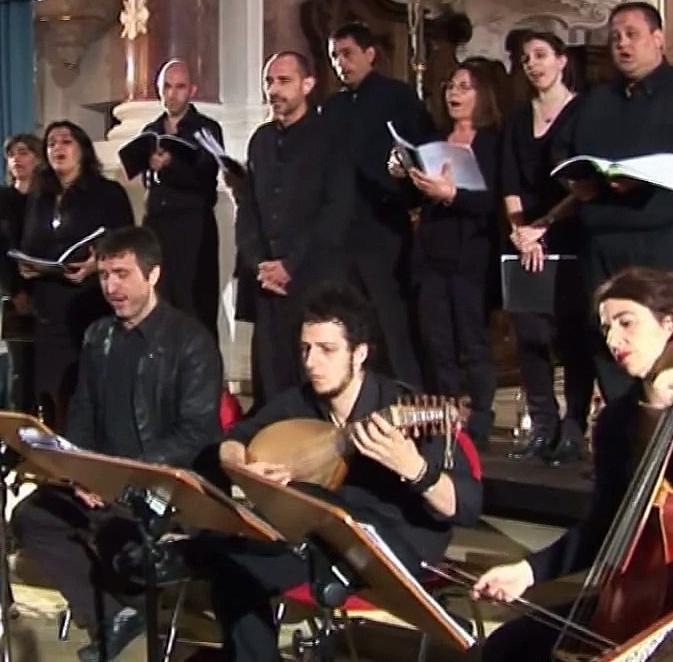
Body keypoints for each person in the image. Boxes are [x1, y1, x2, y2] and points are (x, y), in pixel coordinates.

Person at [472, 267, 673, 661]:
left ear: (672, 322)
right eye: (606, 327)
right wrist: (527, 571)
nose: (613, 339)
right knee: (508, 646)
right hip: (643, 595)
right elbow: (605, 524)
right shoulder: (617, 421)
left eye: (626, 323)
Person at [170, 282, 482, 662]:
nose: (311, 362)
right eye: (306, 348)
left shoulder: (404, 411)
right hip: (318, 540)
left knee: (307, 510)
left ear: (360, 353)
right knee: (236, 569)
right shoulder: (300, 402)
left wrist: (414, 468)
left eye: (327, 350)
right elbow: (234, 439)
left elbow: (465, 507)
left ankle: (193, 554)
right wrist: (242, 463)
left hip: (392, 548)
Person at [12, 226, 223, 662]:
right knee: (30, 517)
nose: (112, 287)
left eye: (123, 274)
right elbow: (85, 410)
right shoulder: (98, 337)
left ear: (154, 274)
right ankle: (111, 616)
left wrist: (120, 476)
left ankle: (120, 609)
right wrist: (82, 471)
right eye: (105, 275)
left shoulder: (192, 342)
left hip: (160, 485)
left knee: (121, 546)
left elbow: (196, 433)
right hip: (103, 481)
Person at [553, 1, 673, 406]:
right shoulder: (594, 101)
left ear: (658, 39)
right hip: (603, 242)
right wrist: (581, 182)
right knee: (610, 343)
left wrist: (646, 175)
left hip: (665, 238)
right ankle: (623, 439)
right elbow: (561, 158)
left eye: (631, 34)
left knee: (667, 342)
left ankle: (672, 443)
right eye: (615, 37)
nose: (622, 44)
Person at [389, 58, 501, 449]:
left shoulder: (493, 141)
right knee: (436, 341)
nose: (454, 93)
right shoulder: (434, 140)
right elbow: (412, 197)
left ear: (483, 94)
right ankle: (448, 417)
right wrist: (402, 174)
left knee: (471, 340)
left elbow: (494, 201)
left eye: (464, 87)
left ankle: (481, 420)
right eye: (451, 86)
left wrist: (454, 194)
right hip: (431, 249)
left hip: (472, 250)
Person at [234, 51, 354, 411]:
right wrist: (260, 263)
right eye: (269, 81)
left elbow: (335, 211)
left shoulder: (331, 137)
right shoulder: (261, 141)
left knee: (311, 374)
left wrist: (291, 264)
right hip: (268, 281)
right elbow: (250, 208)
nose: (274, 89)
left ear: (308, 84)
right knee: (271, 377)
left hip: (312, 277)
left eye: (283, 81)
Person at [322, 22, 436, 388]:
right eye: (335, 57)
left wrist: (403, 175)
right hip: (340, 232)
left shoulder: (398, 97)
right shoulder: (332, 107)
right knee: (349, 321)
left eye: (348, 54)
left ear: (370, 54)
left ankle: (409, 397)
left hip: (383, 226)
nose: (341, 63)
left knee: (392, 321)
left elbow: (424, 152)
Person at [502, 30, 596, 465]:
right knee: (529, 336)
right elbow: (510, 181)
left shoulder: (584, 112)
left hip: (569, 231)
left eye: (541, 55)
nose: (533, 65)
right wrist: (520, 230)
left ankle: (574, 427)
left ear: (561, 60)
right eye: (526, 59)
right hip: (524, 240)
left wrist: (543, 226)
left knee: (573, 335)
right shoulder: (518, 117)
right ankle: (542, 426)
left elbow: (586, 183)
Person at [18, 121, 134, 431]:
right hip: (48, 306)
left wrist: (97, 264)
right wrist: (27, 264)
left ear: (82, 149)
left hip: (89, 302)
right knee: (52, 391)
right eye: (52, 143)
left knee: (88, 386)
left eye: (66, 141)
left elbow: (124, 243)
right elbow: (30, 242)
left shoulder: (107, 192)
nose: (58, 148)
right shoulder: (39, 197)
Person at [139, 59, 225, 340]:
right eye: (167, 86)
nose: (172, 93)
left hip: (193, 227)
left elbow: (207, 177)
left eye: (180, 87)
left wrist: (171, 166)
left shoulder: (206, 128)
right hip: (157, 226)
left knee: (194, 305)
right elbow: (146, 180)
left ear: (192, 90)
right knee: (158, 302)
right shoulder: (150, 131)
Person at [0, 132, 42, 412]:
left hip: (46, 288)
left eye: (24, 153)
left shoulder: (47, 197)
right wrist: (15, 290)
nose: (16, 160)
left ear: (37, 158)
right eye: (11, 155)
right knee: (20, 370)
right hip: (13, 293)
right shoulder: (1, 198)